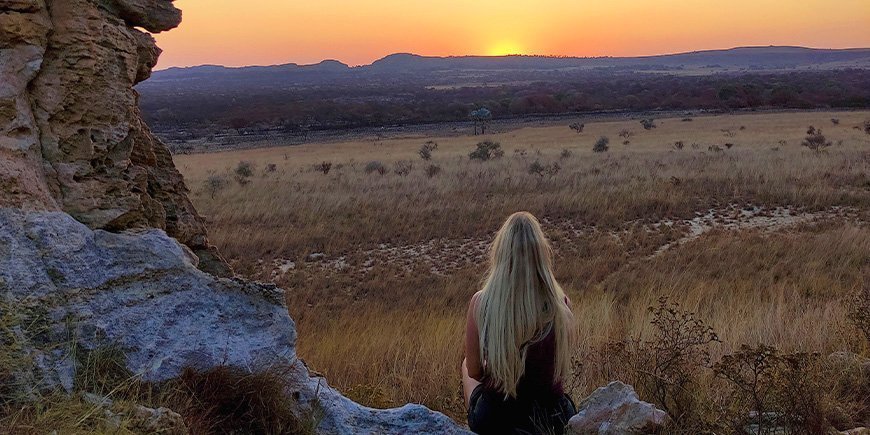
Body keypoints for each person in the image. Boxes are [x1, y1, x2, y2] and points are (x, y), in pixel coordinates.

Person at [462, 211, 577, 434]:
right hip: (551, 417)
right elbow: (556, 367)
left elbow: (475, 371)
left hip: (497, 418)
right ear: (541, 255)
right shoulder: (561, 305)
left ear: (502, 253)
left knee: (466, 365)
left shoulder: (481, 303)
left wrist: (499, 367)